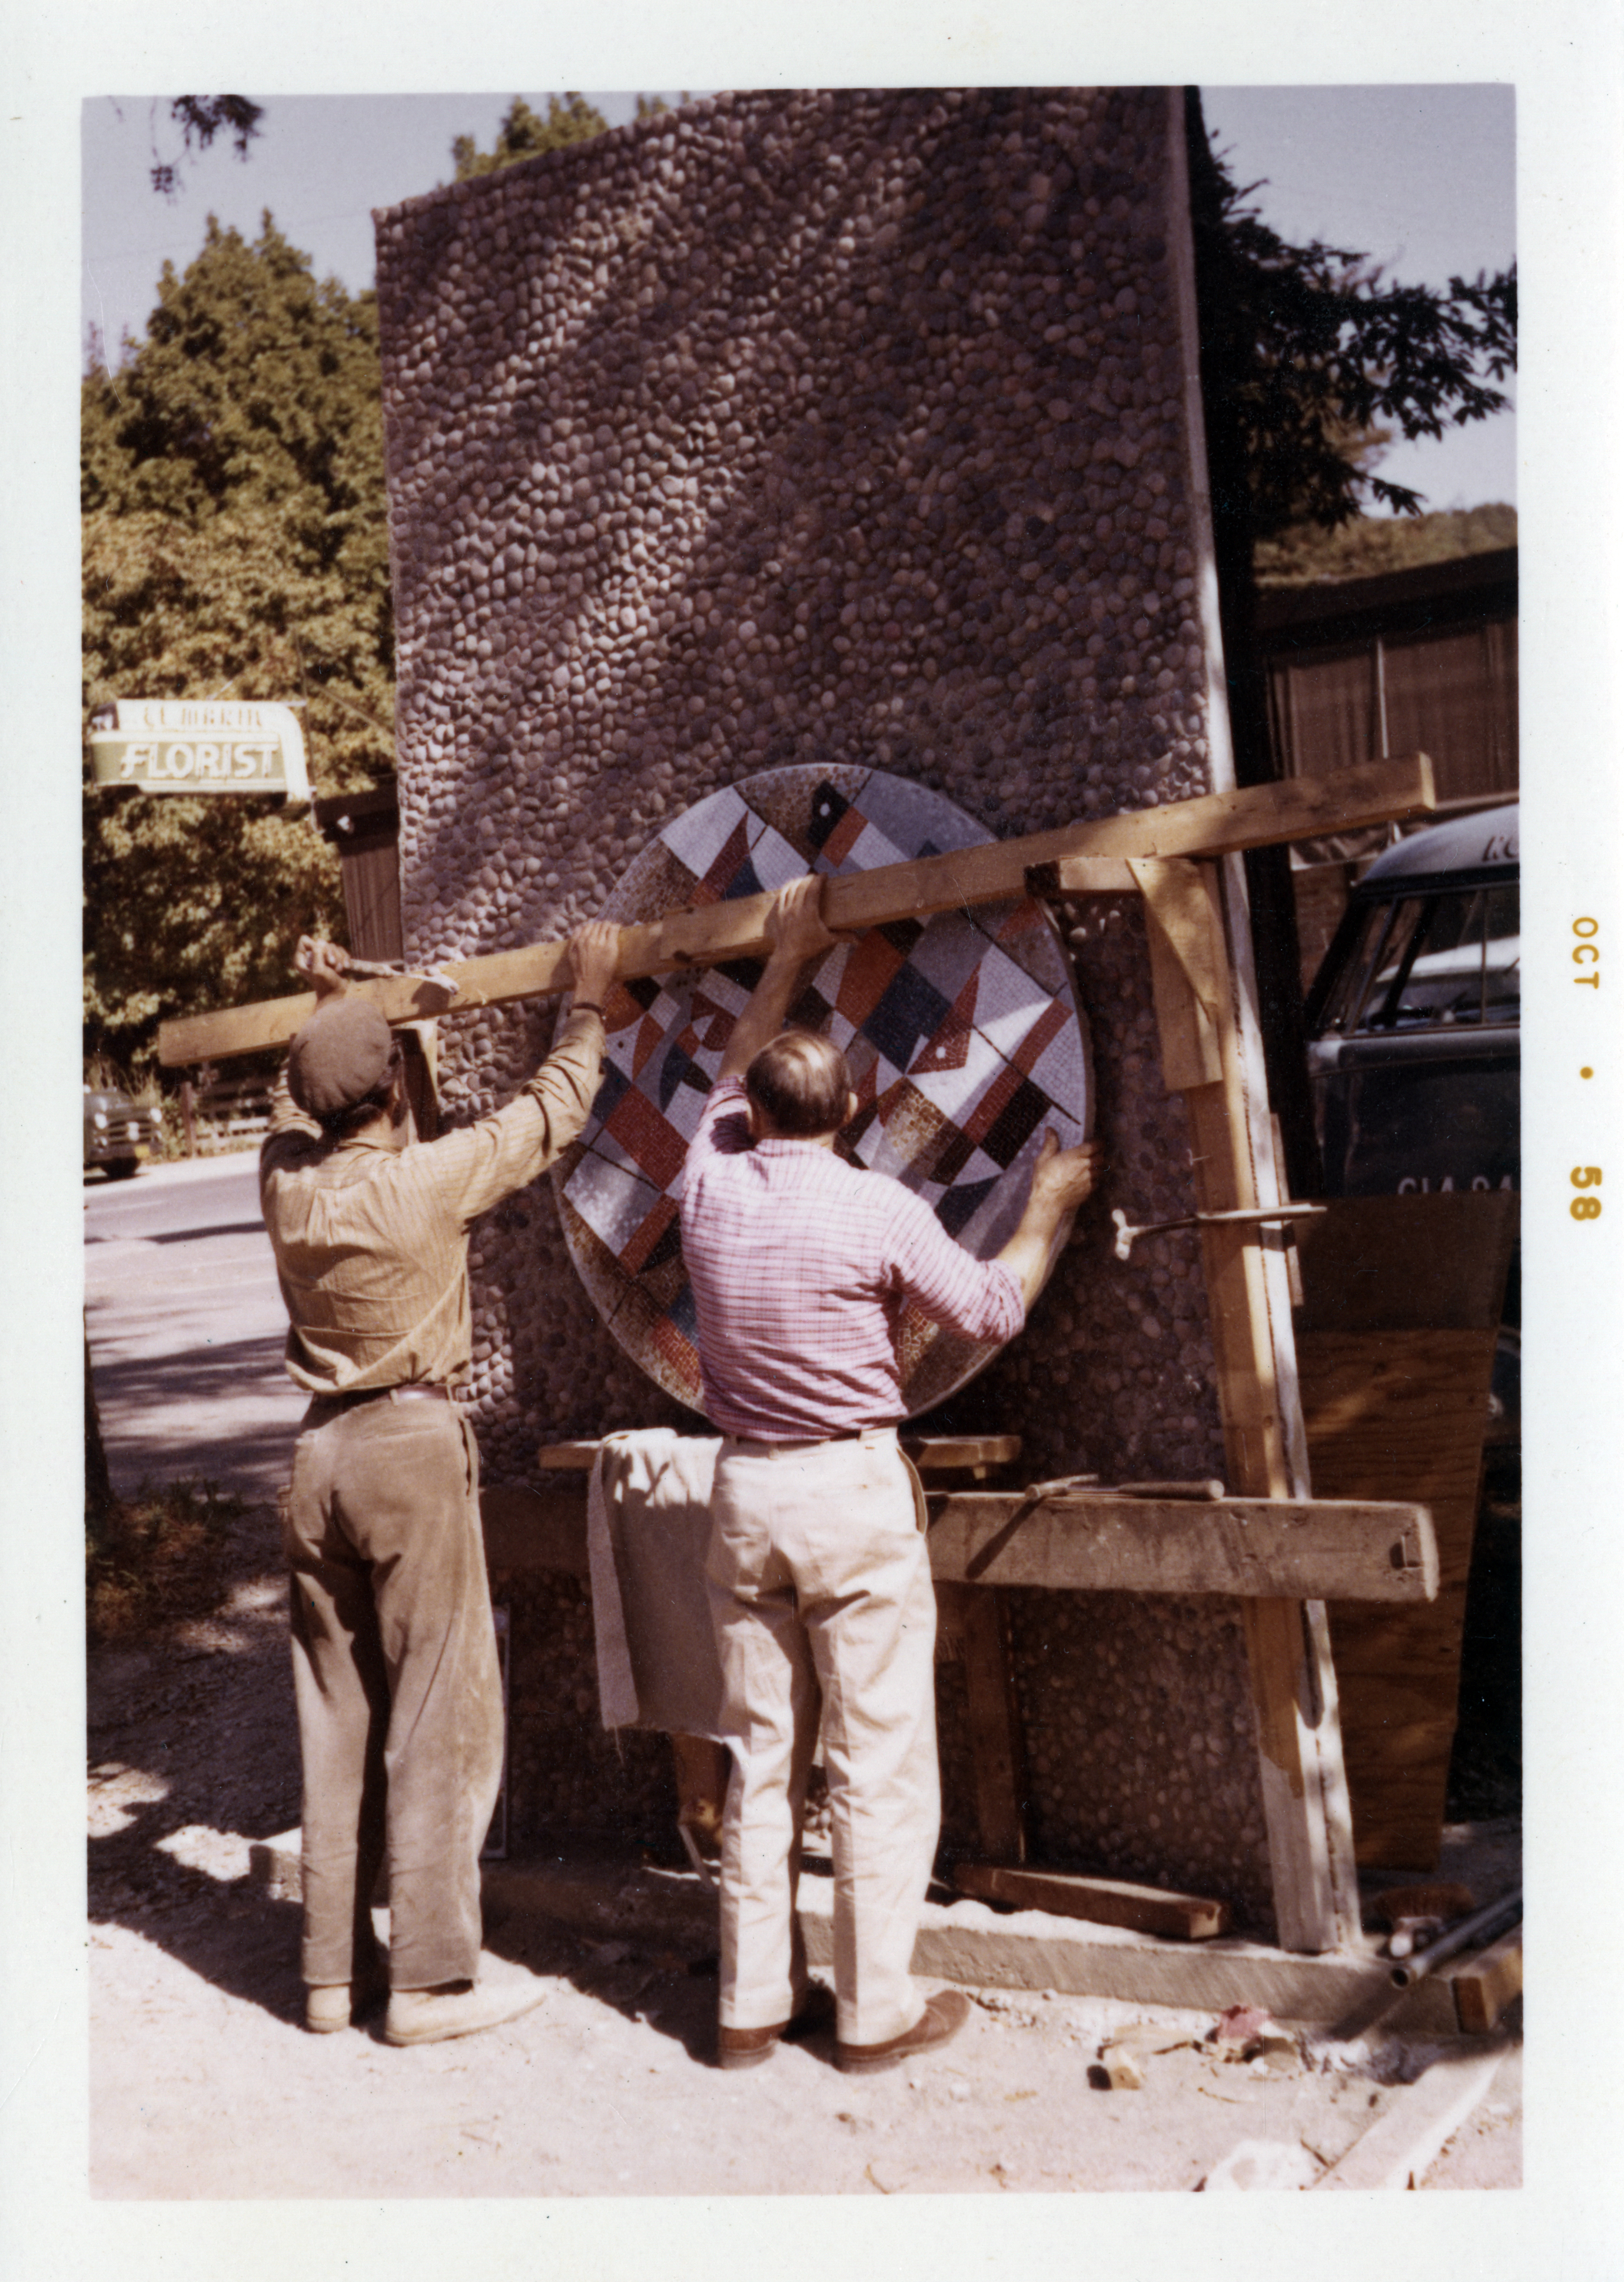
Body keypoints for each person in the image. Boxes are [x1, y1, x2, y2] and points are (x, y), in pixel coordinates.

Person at [680, 877, 1101, 2074]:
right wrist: (1046, 1209)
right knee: (875, 1760)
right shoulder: (880, 1209)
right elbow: (991, 1308)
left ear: (750, 1113)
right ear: (856, 1107)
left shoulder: (706, 1181)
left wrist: (785, 952)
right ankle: (873, 2015)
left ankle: (750, 2009)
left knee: (761, 1759)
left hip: (745, 1492)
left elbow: (736, 1066)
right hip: (850, 1496)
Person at [262, 923, 618, 2044]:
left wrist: (327, 1006)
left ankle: (331, 1979)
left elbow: (297, 1101)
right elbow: (552, 1111)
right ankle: (426, 1983)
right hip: (409, 1451)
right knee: (434, 1714)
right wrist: (590, 1000)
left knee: (335, 1718)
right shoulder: (429, 1180)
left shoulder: (284, 1183)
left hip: (316, 1458)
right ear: (393, 1095)